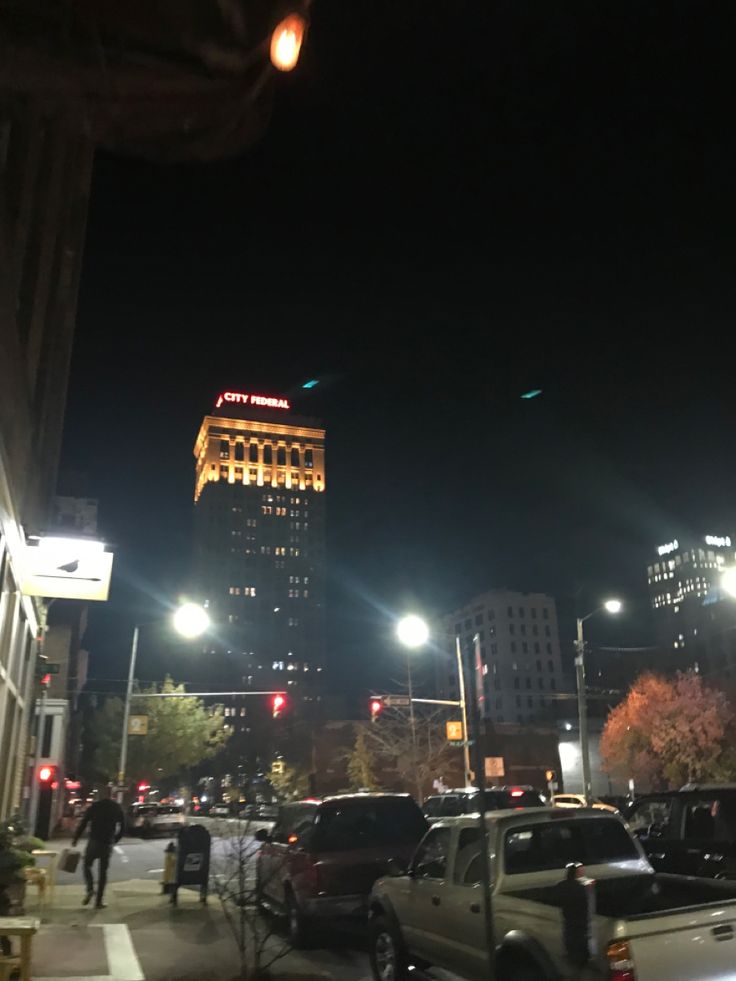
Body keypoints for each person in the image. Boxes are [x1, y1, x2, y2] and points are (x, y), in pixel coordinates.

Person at [73, 791, 125, 908]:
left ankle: (90, 888)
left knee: (87, 865)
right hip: (107, 843)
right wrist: (115, 839)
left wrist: (76, 838)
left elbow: (84, 822)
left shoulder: (95, 807)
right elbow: (123, 826)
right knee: (103, 873)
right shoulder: (116, 808)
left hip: (94, 841)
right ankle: (98, 901)